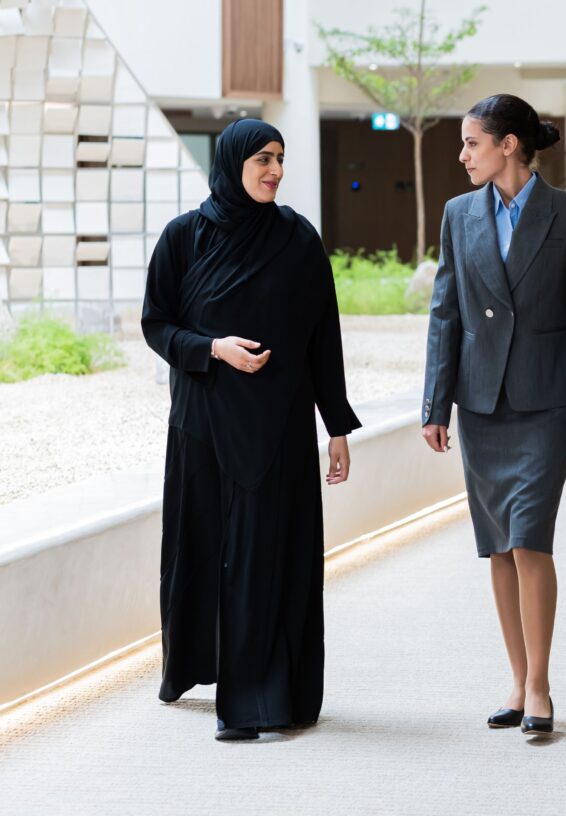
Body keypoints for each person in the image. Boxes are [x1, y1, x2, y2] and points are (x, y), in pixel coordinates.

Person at [142, 119, 361, 741]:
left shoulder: (297, 238)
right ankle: (198, 667)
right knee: (205, 550)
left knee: (266, 556)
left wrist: (337, 426)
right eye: (263, 158)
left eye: (280, 158)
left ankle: (259, 700)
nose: (275, 170)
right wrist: (213, 348)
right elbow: (156, 324)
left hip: (278, 424)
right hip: (203, 421)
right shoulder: (184, 237)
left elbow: (323, 338)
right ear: (233, 161)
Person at [421, 94, 566, 735]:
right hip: (481, 403)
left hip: (547, 402)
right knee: (498, 546)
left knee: (530, 538)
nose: (462, 155)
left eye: (471, 143)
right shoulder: (458, 214)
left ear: (508, 145)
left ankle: (540, 684)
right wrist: (435, 404)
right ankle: (516, 678)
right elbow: (445, 311)